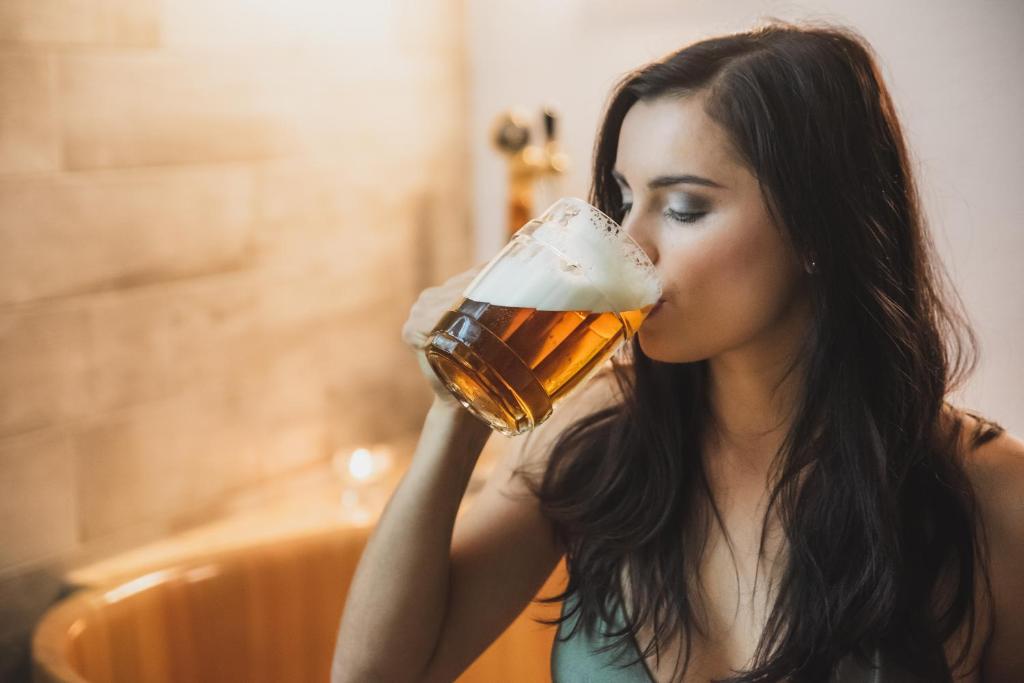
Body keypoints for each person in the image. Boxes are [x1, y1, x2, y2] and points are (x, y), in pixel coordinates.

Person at [331, 20, 1024, 683]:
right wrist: (459, 401)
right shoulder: (599, 433)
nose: (632, 243)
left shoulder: (990, 494)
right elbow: (375, 672)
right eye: (625, 199)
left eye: (685, 208)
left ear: (817, 229)